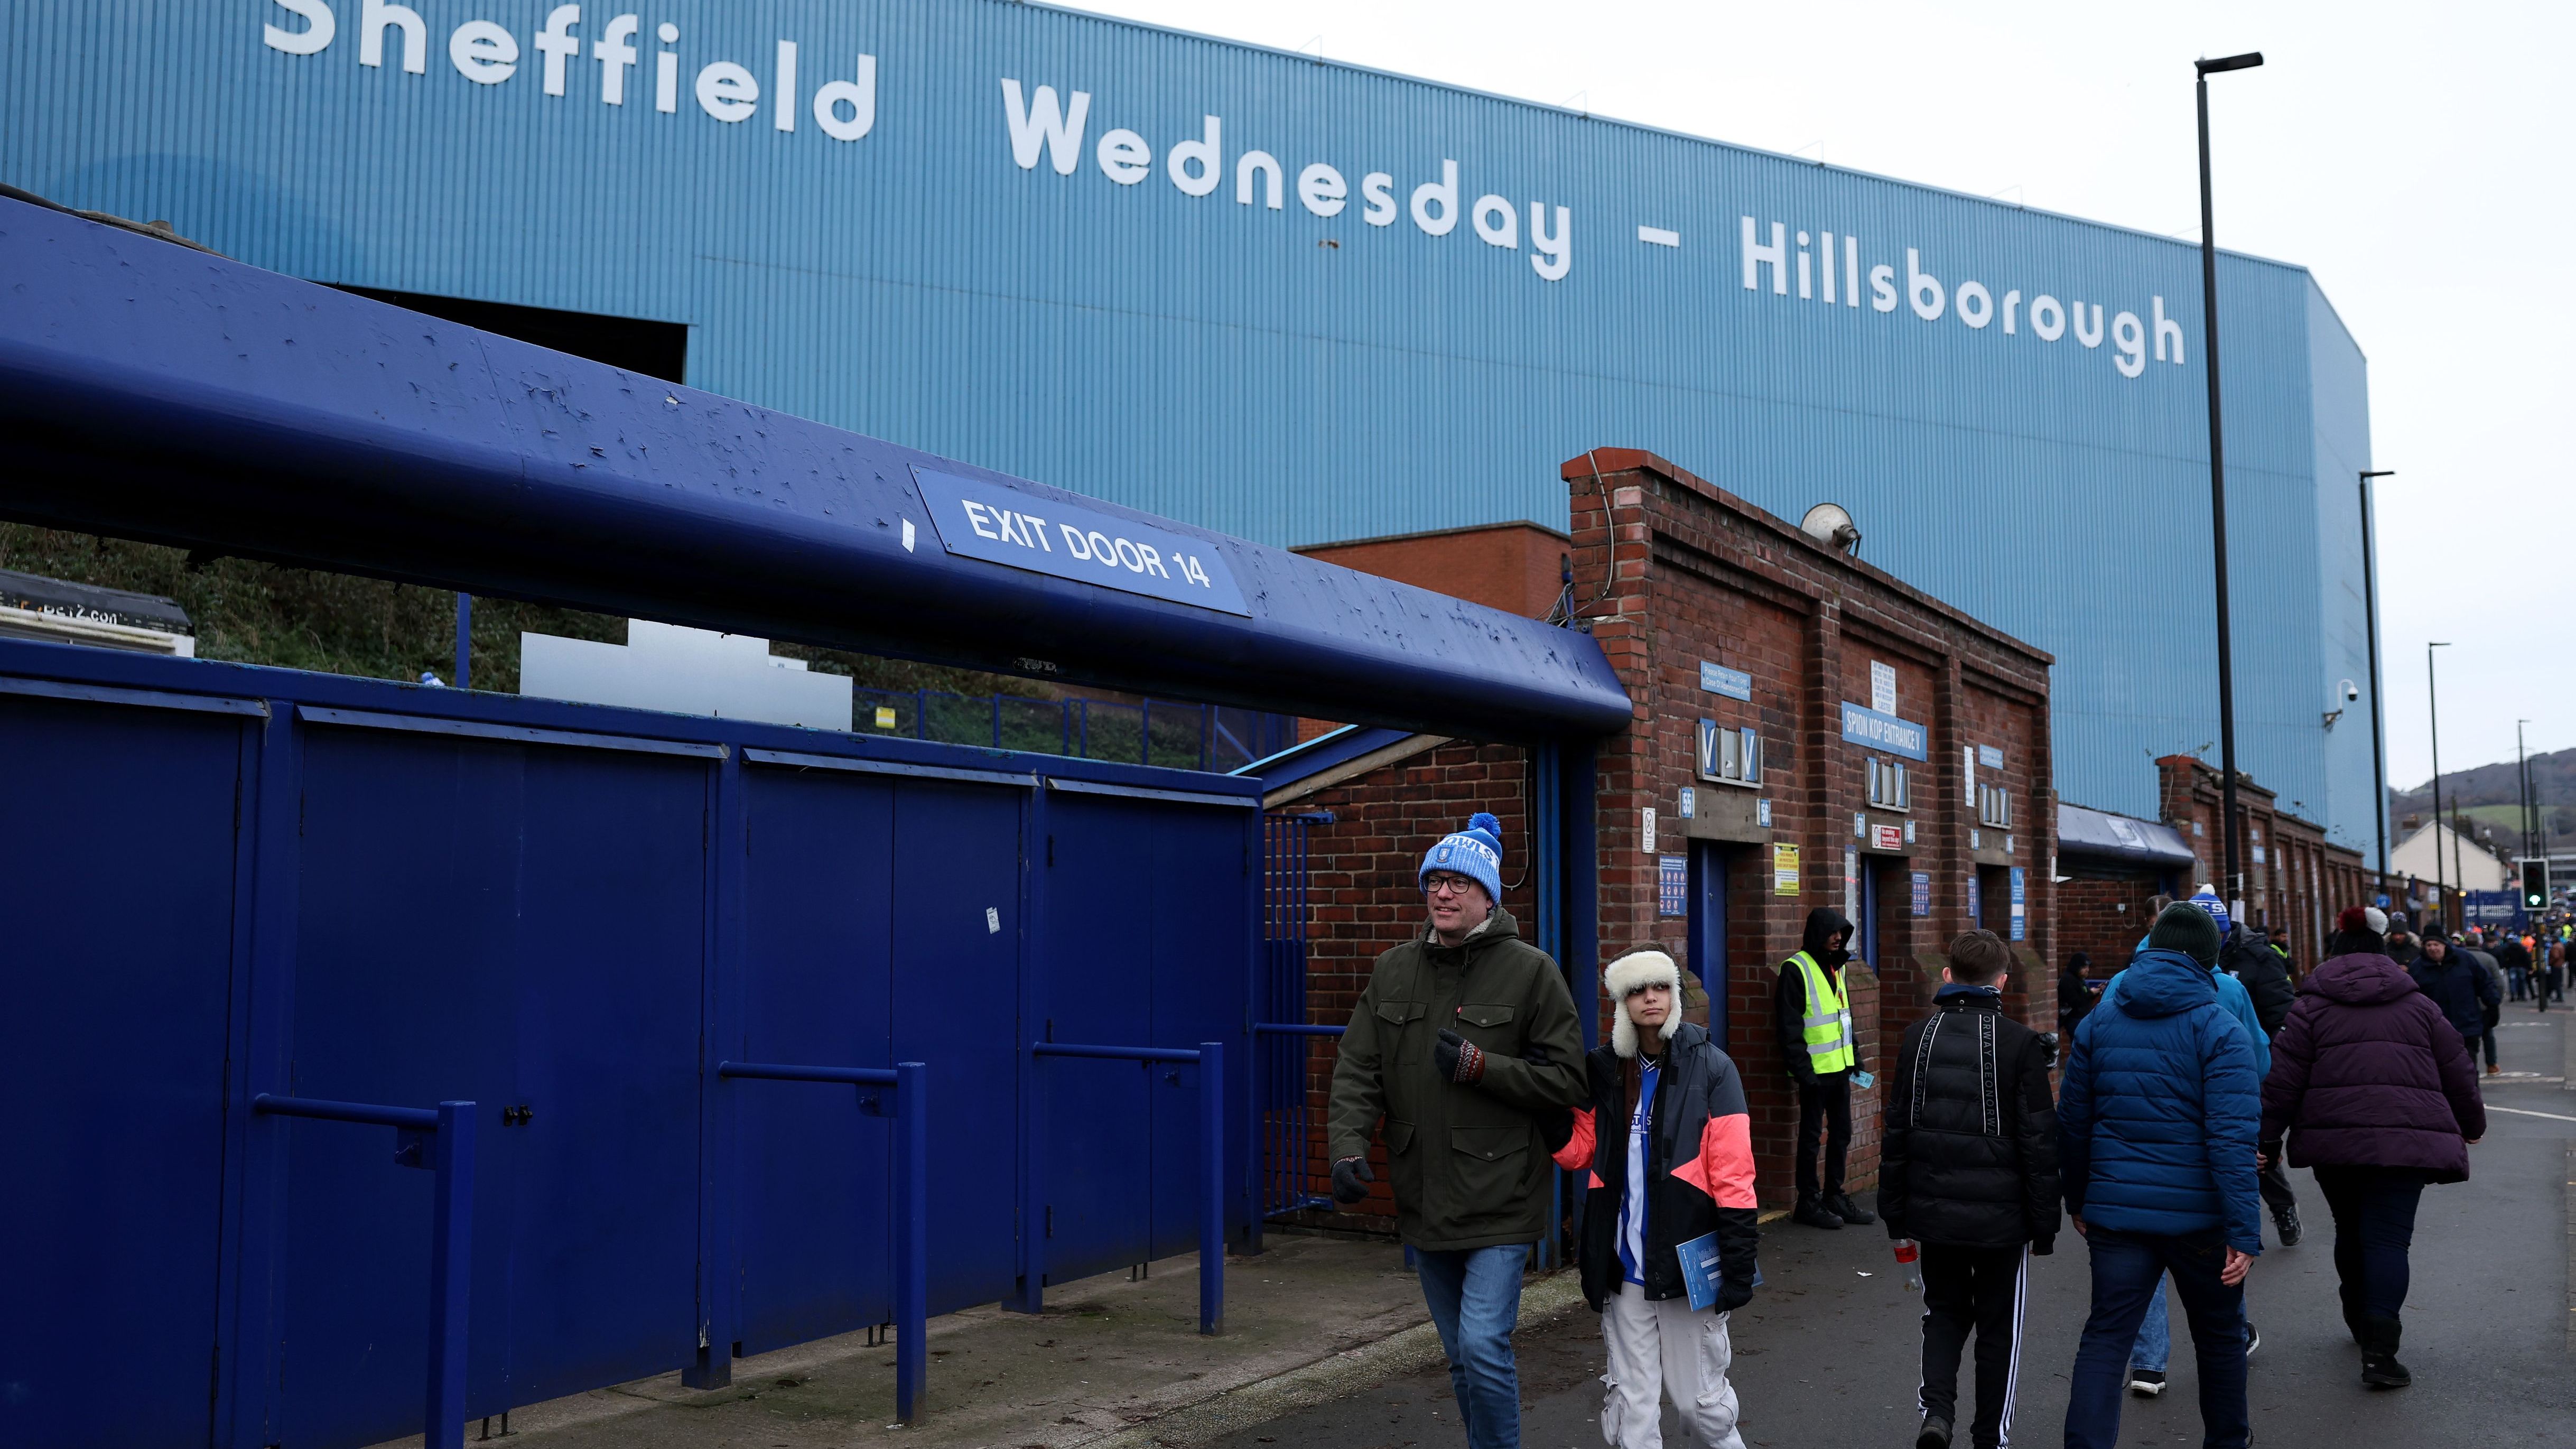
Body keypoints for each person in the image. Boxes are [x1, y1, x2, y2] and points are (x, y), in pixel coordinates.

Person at [1328, 812, 1589, 1449]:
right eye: (1434, 882)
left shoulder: (1532, 972)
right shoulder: (1392, 970)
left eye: (1459, 883)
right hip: (1425, 1195)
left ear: (1488, 896)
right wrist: (1346, 1149)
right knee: (1459, 1354)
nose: (1443, 894)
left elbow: (1568, 1081)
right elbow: (1358, 1069)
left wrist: (1483, 1068)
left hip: (1501, 1194)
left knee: (1482, 1343)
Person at [2059, 903, 2263, 1449]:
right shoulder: (2219, 1028)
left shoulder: (2100, 1019)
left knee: (2105, 1339)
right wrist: (2244, 1230)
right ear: (2207, 959)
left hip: (2117, 1215)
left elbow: (2073, 1121)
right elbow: (2231, 1140)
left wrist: (2077, 1199)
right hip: (2201, 1222)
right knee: (2220, 1341)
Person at [2260, 907, 2485, 1389]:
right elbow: (2458, 1071)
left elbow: (2281, 1080)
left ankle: (2357, 1317)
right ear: (2384, 952)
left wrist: (2264, 1140)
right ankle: (2380, 1351)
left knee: (2349, 1227)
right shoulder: (2419, 1005)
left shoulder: (2310, 1007)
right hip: (2405, 1140)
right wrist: (2471, 1124)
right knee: (2387, 1239)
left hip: (2332, 1143)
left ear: (2333, 953)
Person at [1549, 950, 1761, 1449]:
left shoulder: (1712, 1067)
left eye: (1661, 987)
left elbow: (1734, 1175)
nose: (1651, 998)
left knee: (1700, 1404)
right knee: (1633, 1405)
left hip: (1688, 1265)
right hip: (1623, 1269)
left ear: (1674, 997)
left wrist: (1738, 1260)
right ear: (1622, 1002)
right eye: (1638, 990)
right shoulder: (1603, 1070)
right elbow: (1580, 1154)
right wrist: (1546, 1113)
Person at [1882, 930, 2060, 1449]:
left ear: (1946, 976)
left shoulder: (1916, 1039)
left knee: (1943, 1313)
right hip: (2003, 1221)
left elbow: (1897, 1133)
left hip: (1935, 1212)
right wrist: (2044, 1223)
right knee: (1998, 1329)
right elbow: (2039, 1143)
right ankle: (1990, 1438)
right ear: (2002, 981)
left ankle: (1937, 1411)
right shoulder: (2020, 1045)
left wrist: (1896, 1217)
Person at [2102, 897, 2273, 1393]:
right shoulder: (2225, 990)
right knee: (2222, 1261)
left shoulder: (2118, 986)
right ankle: (2232, 1339)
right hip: (2200, 1155)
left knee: (2142, 1261)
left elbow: (2083, 1090)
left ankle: (2149, 1363)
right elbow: (2257, 1061)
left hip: (2128, 1152)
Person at [1777, 907, 1874, 1229]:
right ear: (1817, 933)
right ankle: (1808, 1201)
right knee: (1810, 1137)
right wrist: (1804, 1072)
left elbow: (1844, 1019)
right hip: (1814, 1074)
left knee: (1842, 1134)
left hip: (1840, 1069)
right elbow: (1789, 1028)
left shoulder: (1838, 969)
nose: (1837, 938)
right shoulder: (1796, 969)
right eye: (1832, 932)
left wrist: (1855, 1058)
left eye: (1842, 933)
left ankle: (1834, 1195)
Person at [2221, 923, 2301, 1247]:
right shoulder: (2188, 959)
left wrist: (2268, 1059)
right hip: (2200, 1064)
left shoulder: (2259, 959)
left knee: (2251, 1147)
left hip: (2250, 1067)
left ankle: (2282, 1209)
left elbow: (2283, 1014)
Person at [2407, 933, 2499, 1082]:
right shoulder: (2418, 968)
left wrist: (2492, 1004)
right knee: (2442, 1072)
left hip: (2467, 1024)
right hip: (2436, 1029)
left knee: (2468, 1069)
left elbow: (2484, 982)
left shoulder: (2464, 959)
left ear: (2444, 945)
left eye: (2436, 945)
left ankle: (2471, 1099)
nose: (2432, 949)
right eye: (2429, 945)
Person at [2058, 951, 2097, 1039]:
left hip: (2082, 1018)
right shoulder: (2068, 980)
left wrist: (2095, 993)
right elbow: (2075, 1001)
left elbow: (2084, 996)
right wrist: (2091, 993)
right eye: (2084, 967)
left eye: (2088, 967)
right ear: (2077, 967)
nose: (2087, 970)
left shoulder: (2079, 979)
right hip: (2075, 1019)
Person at [2495, 927, 2531, 1002]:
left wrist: (2505, 966)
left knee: (2512, 982)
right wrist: (2529, 967)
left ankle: (2513, 996)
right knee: (2522, 982)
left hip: (2512, 967)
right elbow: (2527, 958)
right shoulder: (2522, 949)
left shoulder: (2507, 949)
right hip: (2521, 967)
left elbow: (2504, 959)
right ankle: (2522, 996)